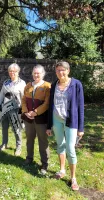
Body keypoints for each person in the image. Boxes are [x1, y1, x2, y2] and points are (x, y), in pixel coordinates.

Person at [46, 61, 84, 191]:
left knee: (70, 148)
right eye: (57, 70)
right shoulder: (54, 85)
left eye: (62, 70)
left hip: (71, 121)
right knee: (60, 145)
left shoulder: (76, 84)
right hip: (56, 120)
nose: (60, 73)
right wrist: (49, 125)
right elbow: (51, 106)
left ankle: (73, 178)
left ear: (68, 71)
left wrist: (81, 128)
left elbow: (80, 107)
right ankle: (62, 170)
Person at [21, 65, 51, 175]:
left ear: (43, 74)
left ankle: (44, 164)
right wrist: (25, 112)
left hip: (41, 119)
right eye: (34, 73)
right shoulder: (28, 85)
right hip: (28, 118)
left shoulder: (47, 86)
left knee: (43, 141)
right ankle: (29, 159)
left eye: (38, 73)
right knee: (29, 139)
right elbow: (23, 100)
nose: (36, 75)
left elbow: (47, 103)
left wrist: (36, 112)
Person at [0, 63, 26, 156]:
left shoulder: (22, 83)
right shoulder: (6, 82)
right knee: (4, 128)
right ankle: (4, 144)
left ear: (18, 72)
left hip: (16, 109)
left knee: (17, 129)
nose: (12, 73)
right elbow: (1, 95)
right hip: (4, 108)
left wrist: (22, 111)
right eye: (10, 71)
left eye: (14, 71)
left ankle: (18, 147)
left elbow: (24, 98)